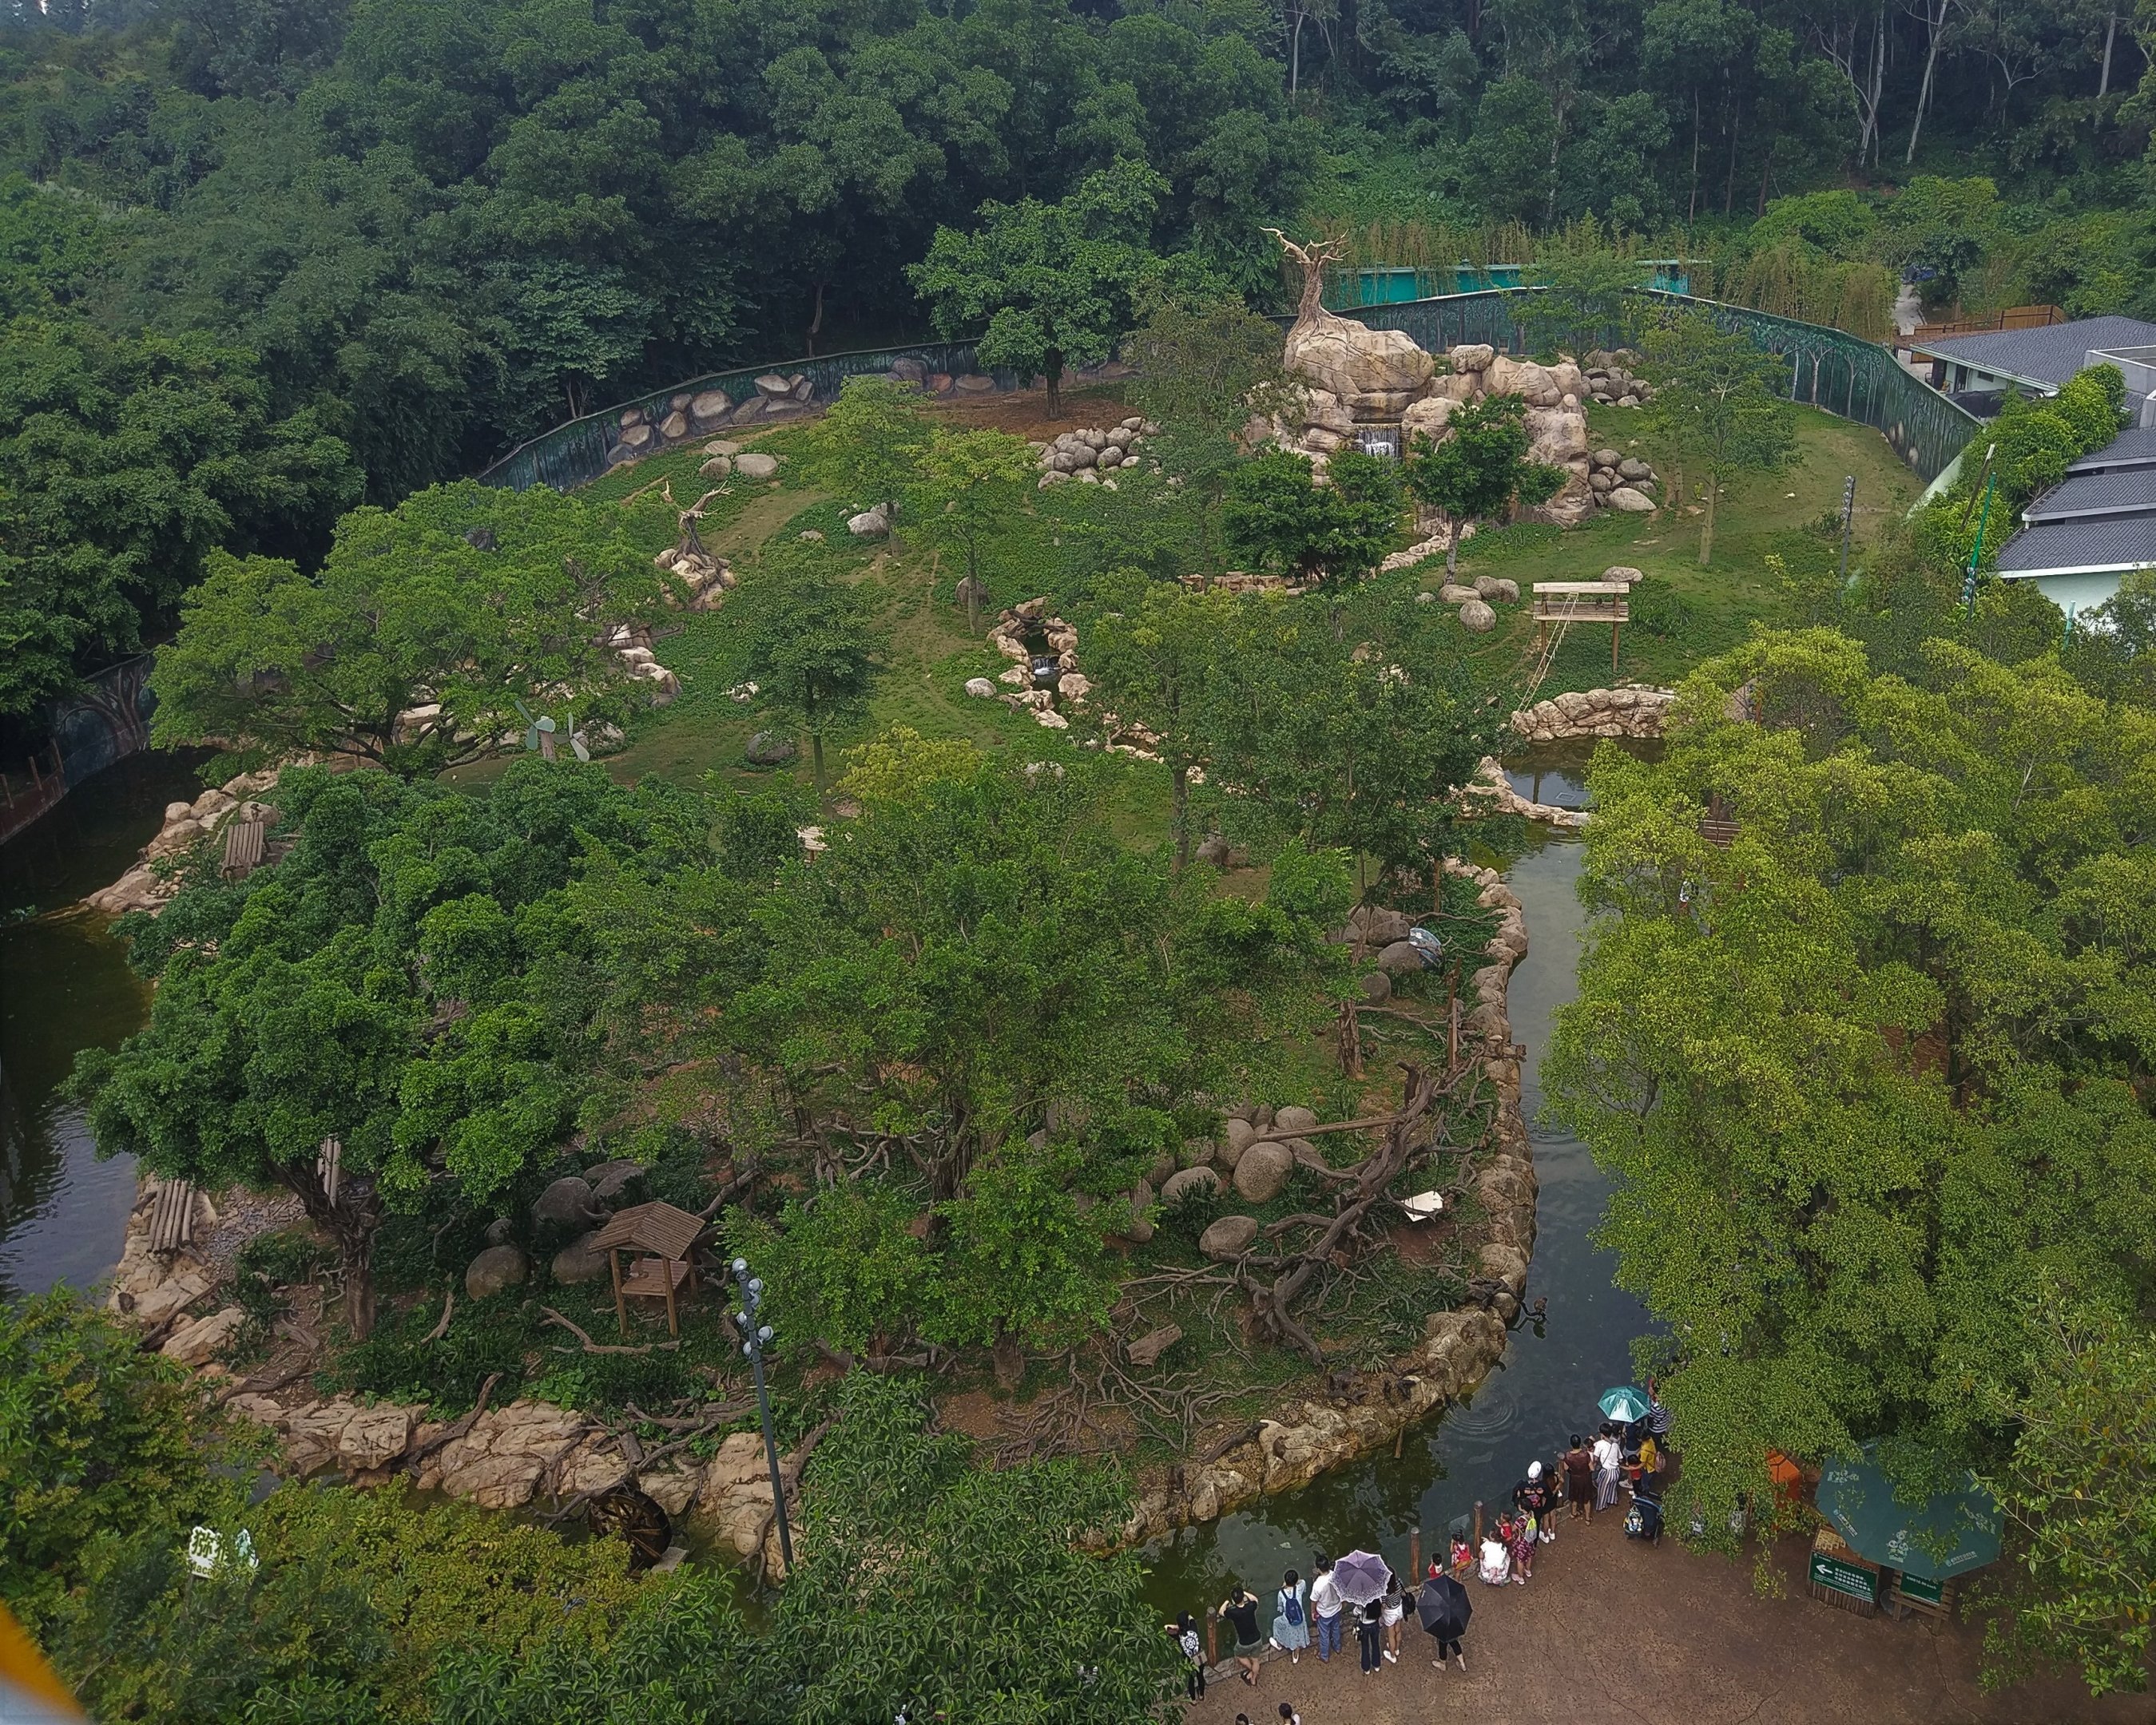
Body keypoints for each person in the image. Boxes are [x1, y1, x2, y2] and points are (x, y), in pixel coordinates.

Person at [1217, 1585, 1263, 1687]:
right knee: (1256, 1660)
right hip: (1257, 1638)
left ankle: (1251, 1670)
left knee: (1239, 1655)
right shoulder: (1250, 1607)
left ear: (1233, 1601)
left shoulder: (1233, 1612)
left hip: (1244, 1642)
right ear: (1243, 1598)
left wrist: (1226, 1602)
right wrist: (1245, 1593)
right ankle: (1254, 1679)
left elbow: (1220, 1612)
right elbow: (1255, 1599)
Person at [1308, 1556, 1344, 1664]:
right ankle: (1337, 1647)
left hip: (1324, 1613)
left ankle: (1324, 1655)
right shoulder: (1336, 1576)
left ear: (1318, 1569)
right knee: (1336, 1628)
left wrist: (1313, 1612)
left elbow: (1313, 1600)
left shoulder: (1318, 1584)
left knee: (1324, 1635)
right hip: (1337, 1608)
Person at [1271, 1568, 1309, 1663]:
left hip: (1289, 1619)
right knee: (1299, 1633)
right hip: (1300, 1617)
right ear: (1296, 1581)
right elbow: (1303, 1582)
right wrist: (1296, 1582)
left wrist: (1283, 1586)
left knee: (1276, 1623)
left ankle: (1279, 1644)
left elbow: (1280, 1608)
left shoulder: (1281, 1593)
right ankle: (1296, 1653)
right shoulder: (1300, 1588)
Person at [1166, 1612, 1205, 1701]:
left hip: (1188, 1661)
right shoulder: (1193, 1628)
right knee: (1200, 1676)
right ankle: (1201, 1695)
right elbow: (1191, 1618)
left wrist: (1177, 1627)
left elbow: (1166, 1627)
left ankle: (1193, 1700)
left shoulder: (1178, 1635)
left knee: (1190, 1680)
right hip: (1199, 1657)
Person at [1563, 1434, 1596, 1522]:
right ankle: (1588, 1519)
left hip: (1574, 1479)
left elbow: (1566, 1468)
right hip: (1586, 1479)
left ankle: (1574, 1513)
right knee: (1587, 1499)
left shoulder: (1568, 1456)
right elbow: (1592, 1468)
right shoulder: (1585, 1455)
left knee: (1574, 1498)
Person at [1593, 1422, 1623, 1512]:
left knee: (1602, 1490)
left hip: (1607, 1472)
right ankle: (1613, 1500)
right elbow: (1621, 1459)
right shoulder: (1615, 1445)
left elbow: (1595, 1458)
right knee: (1612, 1487)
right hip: (1616, 1471)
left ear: (1602, 1434)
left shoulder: (1600, 1444)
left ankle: (1601, 1507)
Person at [1380, 1571, 1404, 1664]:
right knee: (1398, 1630)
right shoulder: (1399, 1583)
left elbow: (1384, 1604)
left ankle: (1392, 1655)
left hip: (1390, 1612)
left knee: (1391, 1635)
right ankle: (1397, 1649)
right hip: (1399, 1608)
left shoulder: (1384, 1591)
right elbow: (1402, 1593)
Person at [1478, 1520, 1511, 1585]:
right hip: (1500, 1578)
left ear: (1492, 1538)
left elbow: (1480, 1556)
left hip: (1487, 1576)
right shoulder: (1503, 1546)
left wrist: (1486, 1544)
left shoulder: (1486, 1544)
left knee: (1482, 1556)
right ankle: (1503, 1579)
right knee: (1507, 1557)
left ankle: (1483, 1577)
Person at [1508, 1505, 1536, 1582]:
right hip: (1529, 1539)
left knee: (1520, 1560)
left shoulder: (1520, 1520)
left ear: (1523, 1509)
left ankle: (1520, 1577)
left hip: (1522, 1542)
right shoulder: (1532, 1514)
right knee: (1529, 1555)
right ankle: (1527, 1570)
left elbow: (1513, 1529)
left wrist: (1510, 1524)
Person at [1356, 1600, 1383, 1675]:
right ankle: (1376, 1665)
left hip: (1364, 1625)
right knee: (1376, 1644)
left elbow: (1356, 1612)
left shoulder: (1361, 1600)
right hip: (1375, 1624)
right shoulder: (1377, 1597)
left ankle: (1366, 1668)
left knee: (1365, 1647)